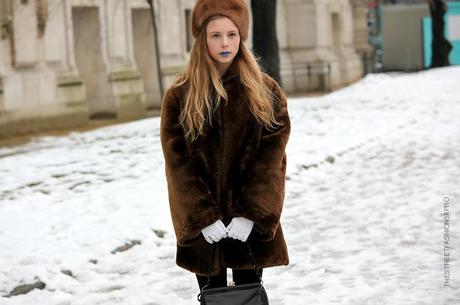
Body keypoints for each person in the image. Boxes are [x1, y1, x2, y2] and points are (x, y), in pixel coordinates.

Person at [159, 0, 291, 293]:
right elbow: (178, 165)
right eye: (215, 35)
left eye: (231, 34)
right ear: (202, 38)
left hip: (247, 221)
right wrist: (202, 218)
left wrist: (252, 214)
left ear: (241, 37)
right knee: (213, 298)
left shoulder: (265, 92)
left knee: (247, 296)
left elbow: (272, 161)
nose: (224, 43)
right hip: (206, 227)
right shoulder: (180, 95)